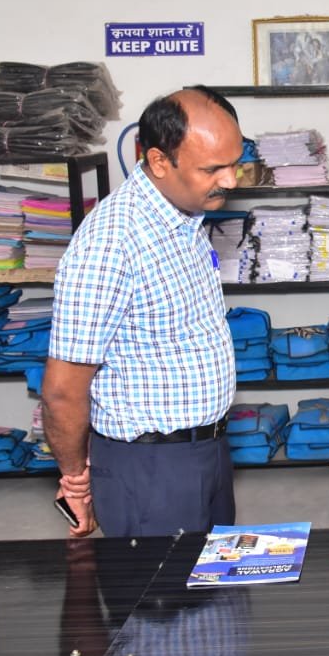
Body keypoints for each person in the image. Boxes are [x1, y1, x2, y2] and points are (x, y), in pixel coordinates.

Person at [42, 86, 244, 538]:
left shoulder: (184, 218)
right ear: (158, 161)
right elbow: (62, 390)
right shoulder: (111, 243)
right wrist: (76, 479)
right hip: (151, 468)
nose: (231, 181)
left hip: (206, 449)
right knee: (159, 585)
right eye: (213, 169)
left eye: (235, 163)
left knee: (213, 580)